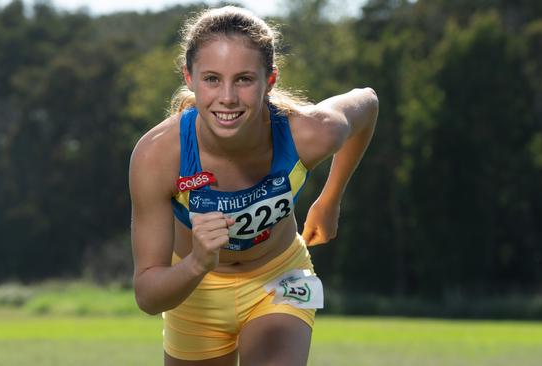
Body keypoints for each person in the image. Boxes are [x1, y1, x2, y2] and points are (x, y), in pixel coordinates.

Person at [129, 5, 378, 366]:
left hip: (281, 276)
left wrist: (330, 198)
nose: (227, 97)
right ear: (189, 77)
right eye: (212, 79)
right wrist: (198, 262)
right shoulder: (157, 156)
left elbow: (367, 104)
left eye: (244, 79)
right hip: (195, 293)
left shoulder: (310, 132)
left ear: (270, 80)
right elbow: (147, 296)